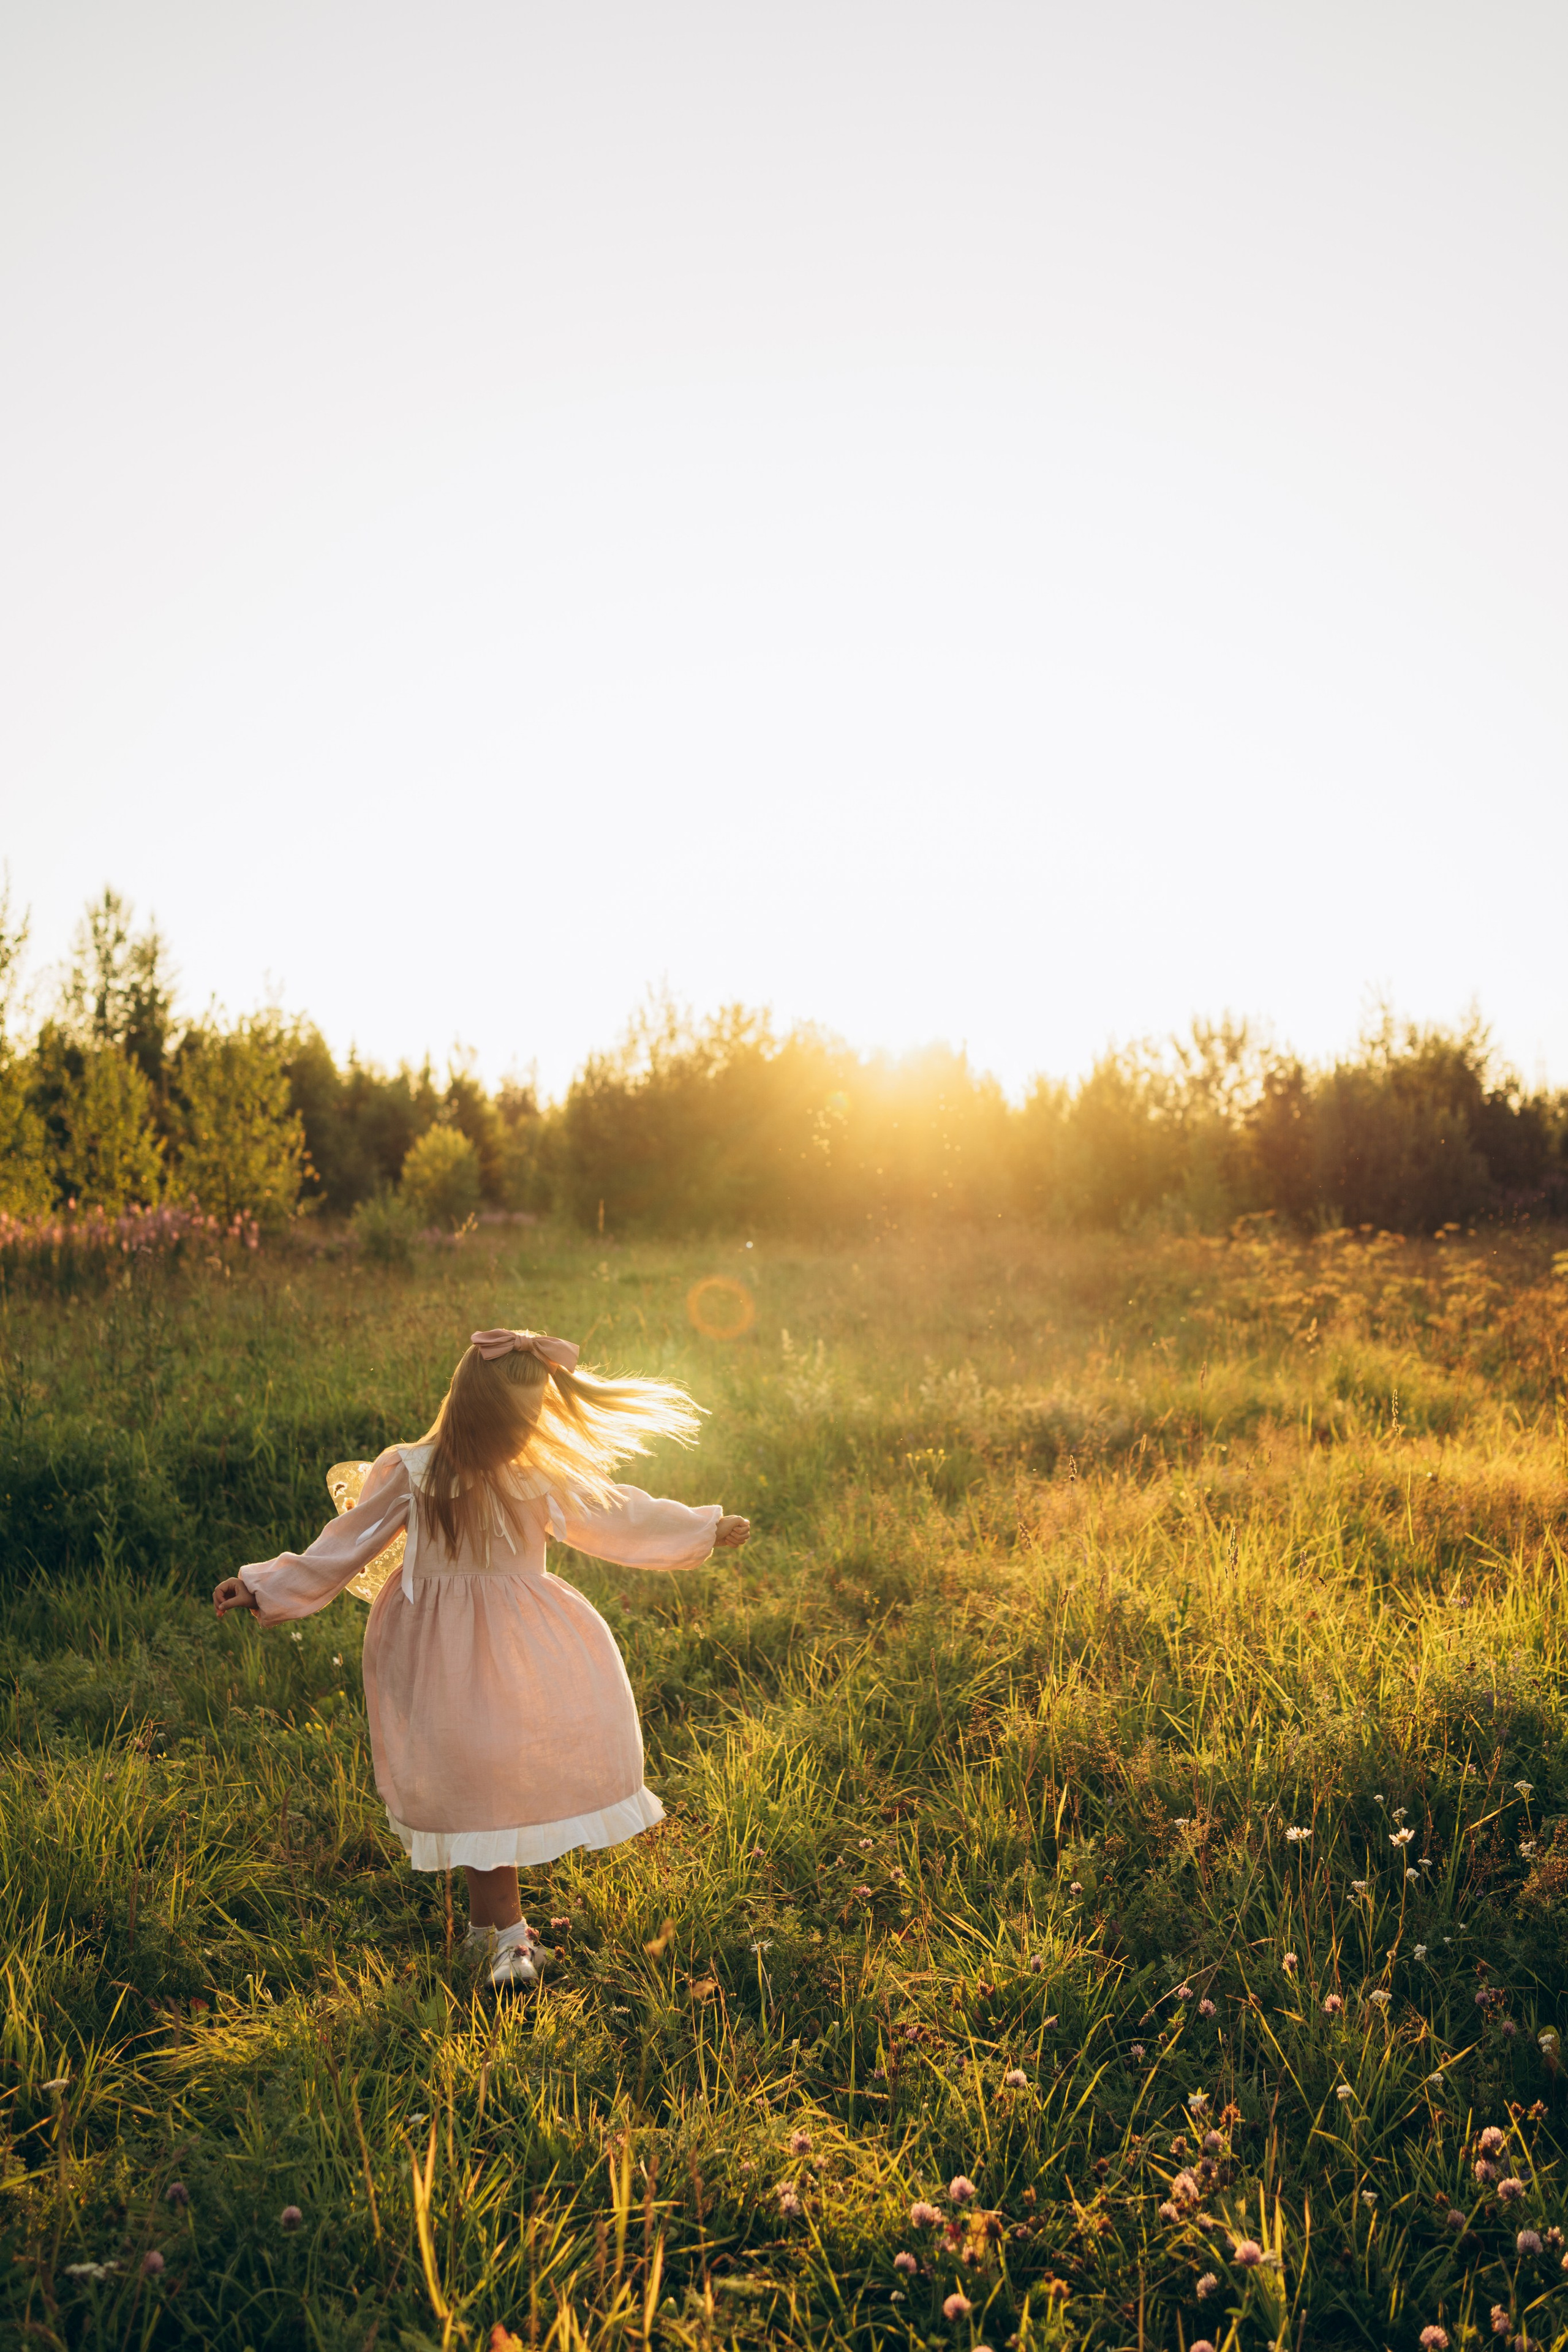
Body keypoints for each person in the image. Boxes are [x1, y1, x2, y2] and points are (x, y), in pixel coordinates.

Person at [213, 1327, 749, 1986]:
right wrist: (265, 1584)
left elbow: (614, 1515)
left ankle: (496, 1936)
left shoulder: (536, 1473)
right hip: (436, 1649)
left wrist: (699, 1527)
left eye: (536, 1417)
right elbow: (345, 1542)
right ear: (474, 1407)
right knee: (472, 1773)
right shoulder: (416, 1471)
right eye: (515, 1418)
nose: (527, 1431)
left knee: (492, 1771)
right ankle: (505, 1938)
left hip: (521, 1643)